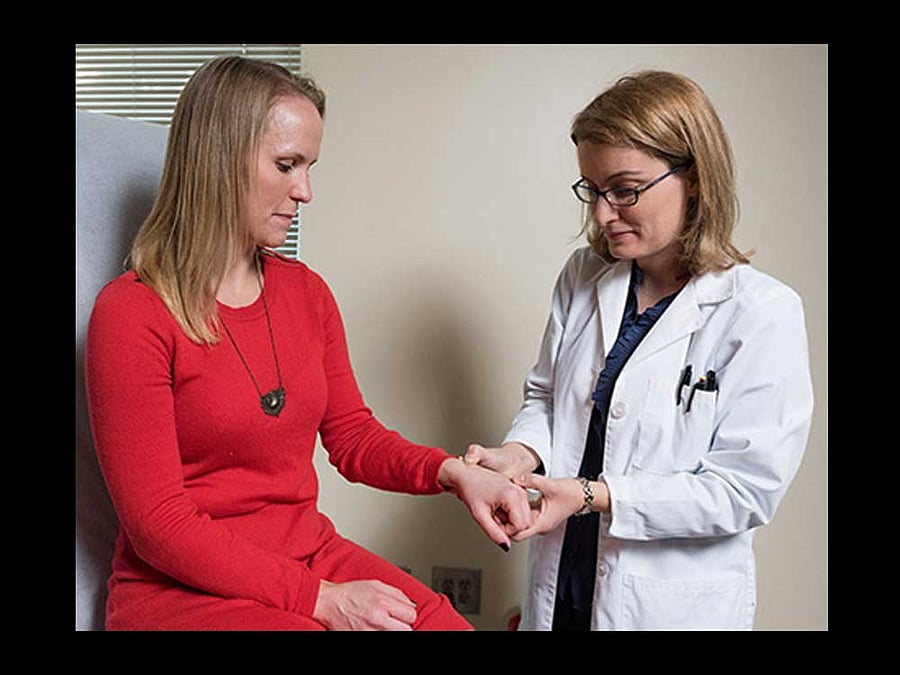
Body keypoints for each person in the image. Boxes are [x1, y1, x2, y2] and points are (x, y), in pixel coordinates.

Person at [84, 55, 532, 631]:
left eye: (309, 166)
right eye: (287, 164)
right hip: (182, 589)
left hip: (304, 554)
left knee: (445, 625)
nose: (306, 191)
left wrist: (452, 472)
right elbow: (159, 524)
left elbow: (352, 436)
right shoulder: (133, 313)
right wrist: (322, 600)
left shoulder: (306, 293)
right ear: (219, 160)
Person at [463, 70, 814, 630]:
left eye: (625, 190)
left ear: (694, 177)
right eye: (592, 189)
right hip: (563, 583)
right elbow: (547, 397)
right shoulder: (583, 276)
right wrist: (520, 454)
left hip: (667, 605)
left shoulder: (760, 311)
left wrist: (594, 496)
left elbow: (744, 490)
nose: (603, 214)